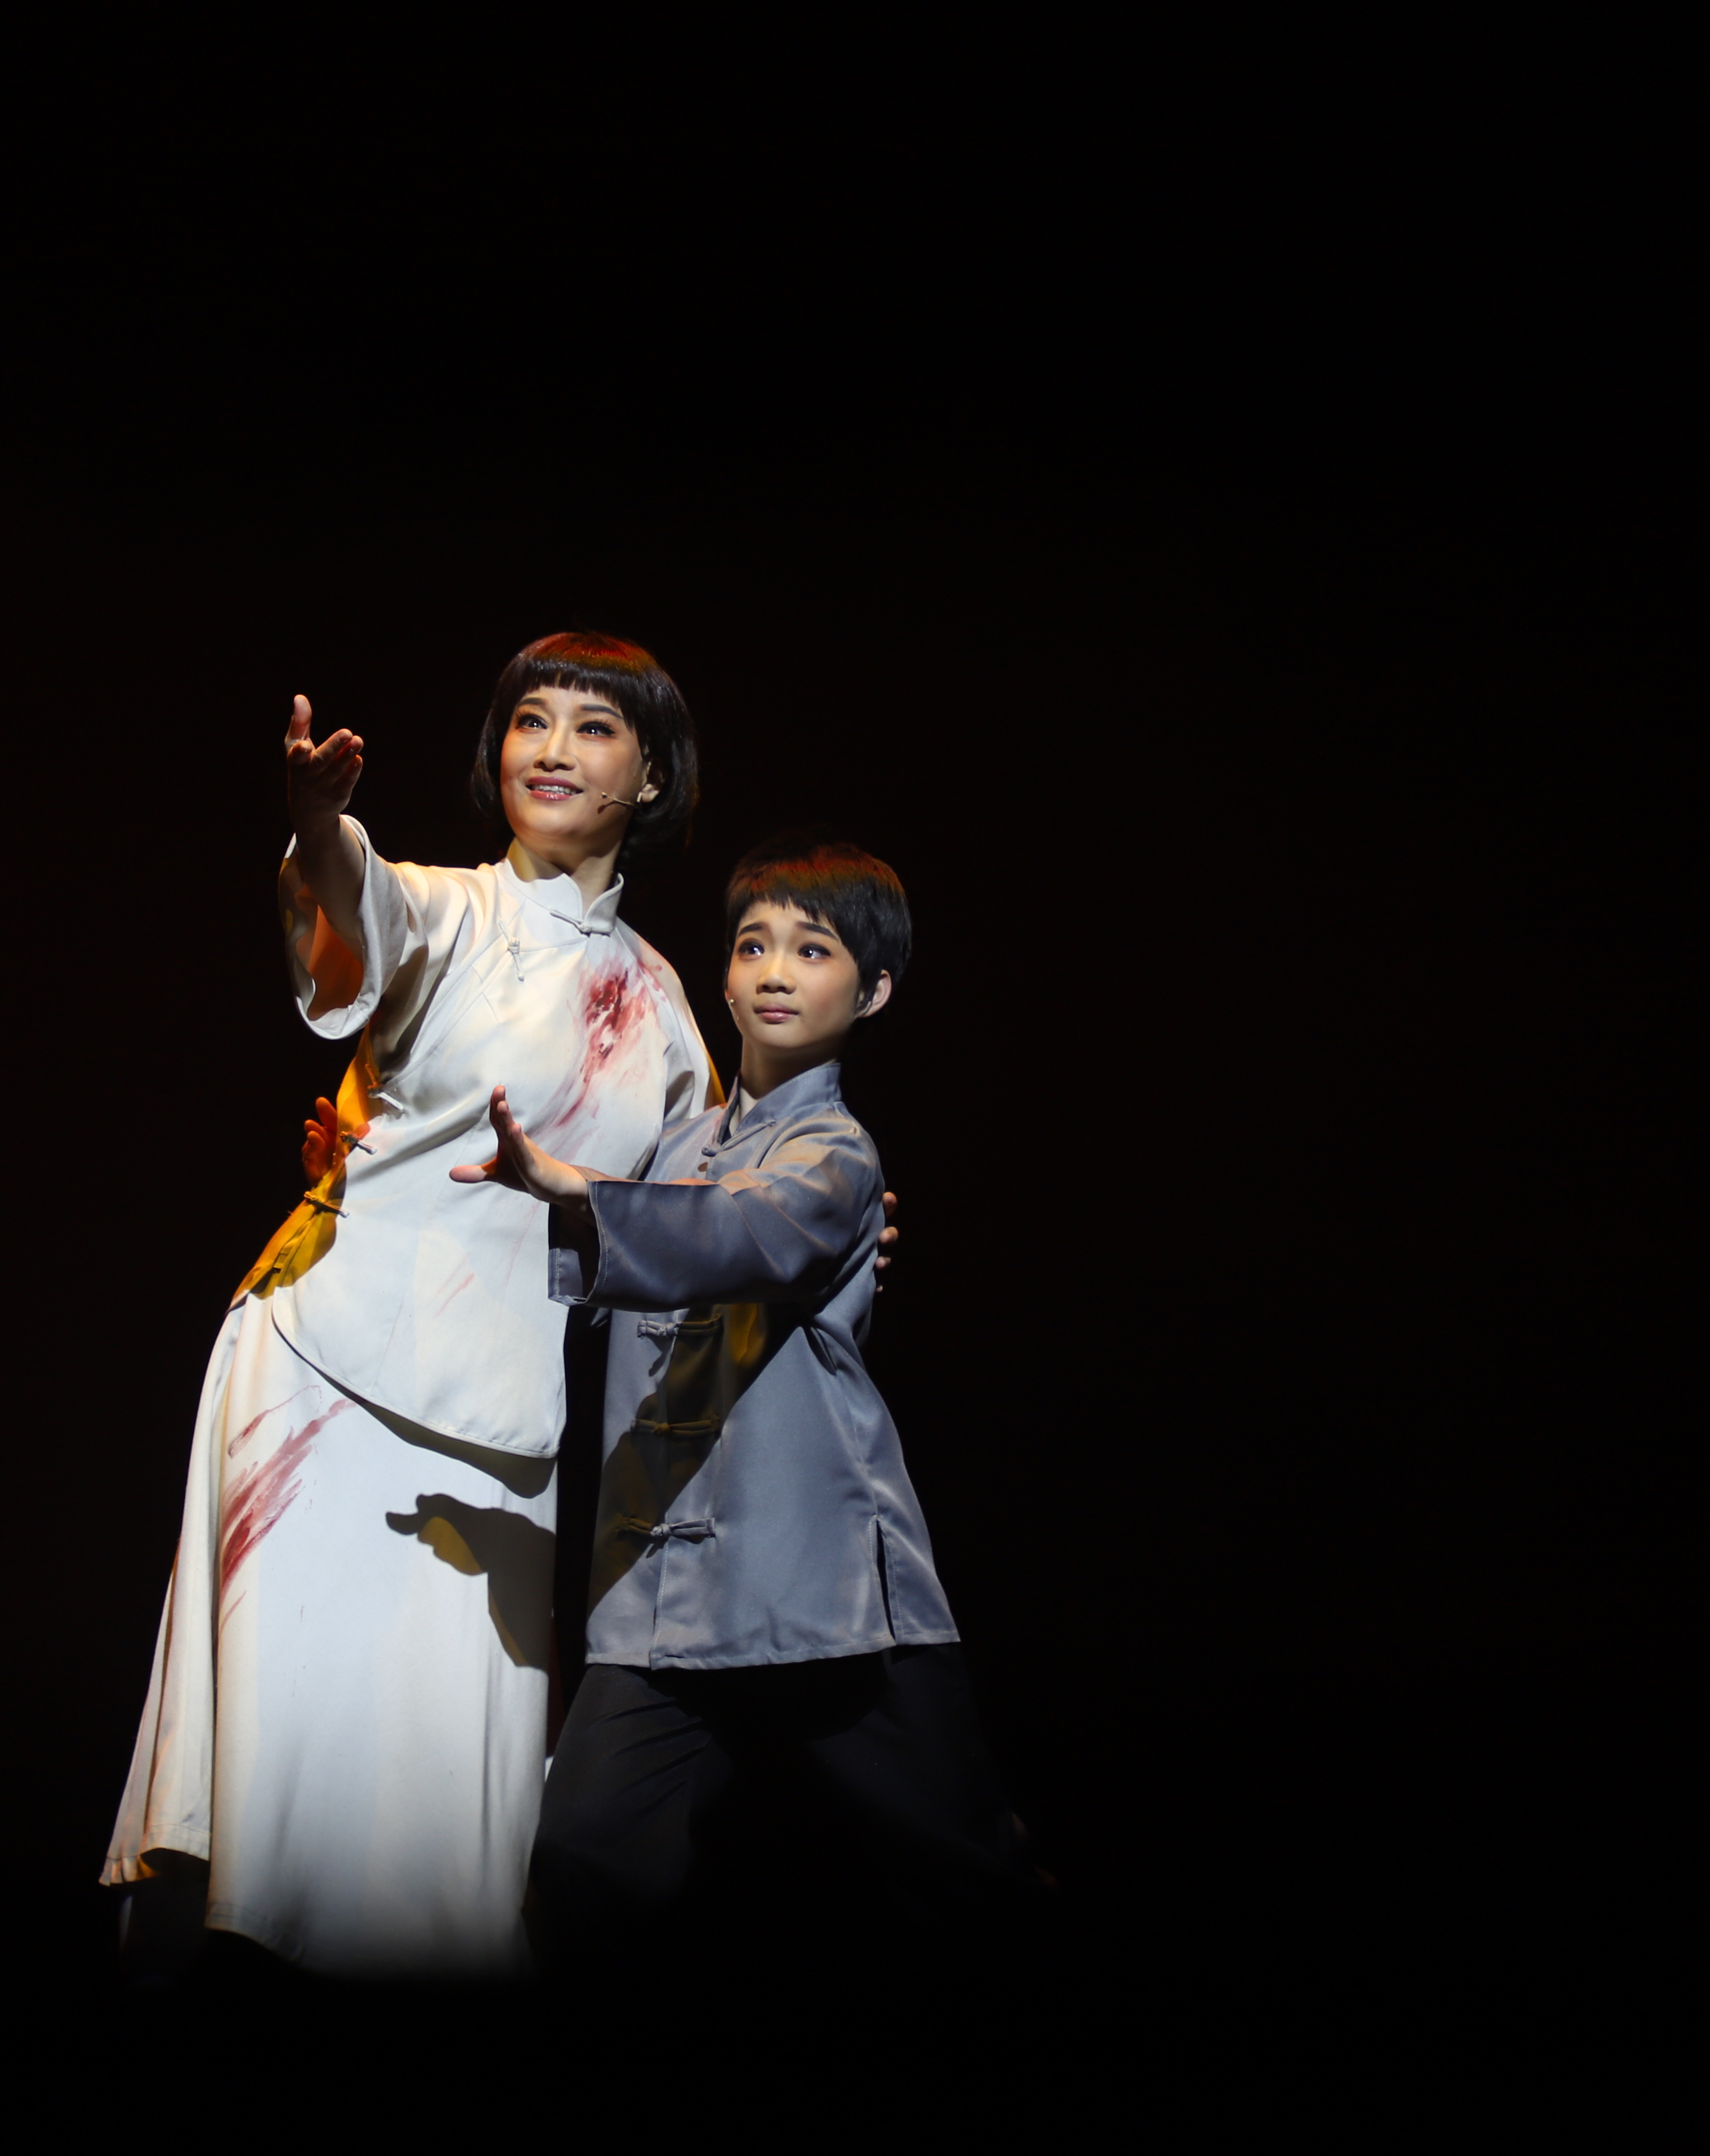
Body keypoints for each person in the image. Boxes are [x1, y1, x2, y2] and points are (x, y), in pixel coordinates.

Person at [103, 634, 721, 1978]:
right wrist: (320, 822)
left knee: (448, 1839)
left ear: (653, 779)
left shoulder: (669, 1010)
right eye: (530, 721)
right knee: (283, 1779)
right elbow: (359, 899)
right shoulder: (451, 907)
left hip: (501, 1429)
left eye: (594, 728)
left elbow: (707, 1223)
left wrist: (836, 1231)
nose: (551, 749)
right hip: (325, 1379)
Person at [455, 835, 1045, 1981]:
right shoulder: (673, 1147)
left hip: (821, 1592)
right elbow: (575, 1233)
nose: (775, 970)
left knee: (965, 1878)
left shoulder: (838, 1153)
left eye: (813, 951)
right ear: (723, 979)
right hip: (660, 1606)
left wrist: (585, 1196)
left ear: (871, 992)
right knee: (583, 1856)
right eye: (753, 946)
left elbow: (743, 1232)